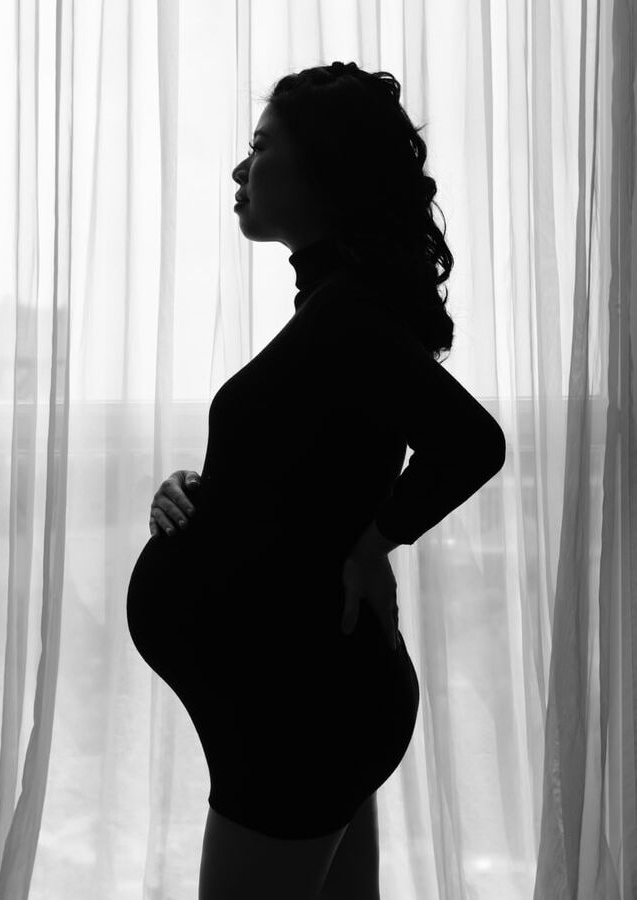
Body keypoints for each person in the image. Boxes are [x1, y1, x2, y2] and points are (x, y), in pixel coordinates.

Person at [127, 61, 506, 900]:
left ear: (326, 169)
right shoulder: (333, 310)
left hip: (301, 713)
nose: (239, 169)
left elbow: (472, 443)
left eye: (260, 147)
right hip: (304, 702)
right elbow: (303, 482)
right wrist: (196, 489)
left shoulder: (347, 316)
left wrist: (376, 543)